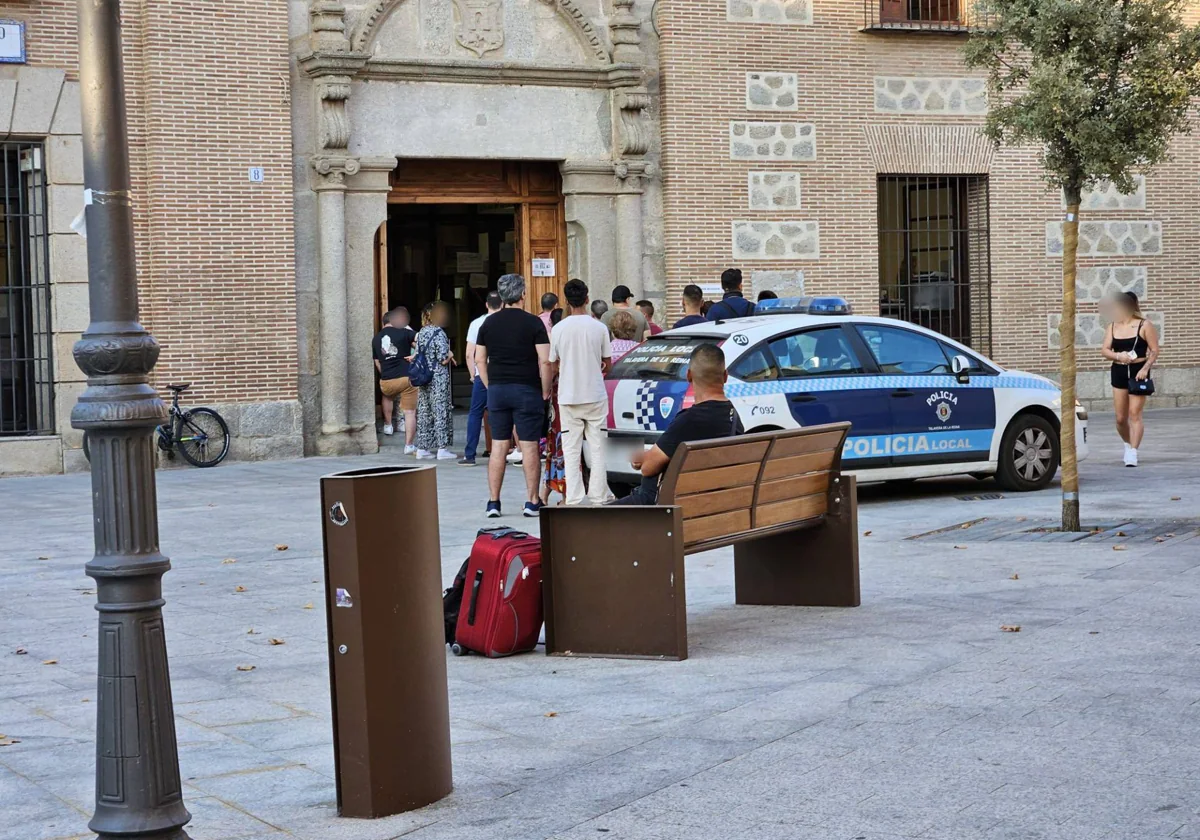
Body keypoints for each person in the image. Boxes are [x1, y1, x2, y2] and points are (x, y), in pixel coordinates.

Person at [613, 344, 743, 505]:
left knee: (592, 519)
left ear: (689, 375)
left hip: (666, 508)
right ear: (725, 376)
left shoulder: (689, 420)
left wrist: (645, 460)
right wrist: (650, 457)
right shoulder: (733, 417)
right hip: (706, 504)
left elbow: (648, 469)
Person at [476, 274, 553, 518]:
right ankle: (532, 501)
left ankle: (493, 502)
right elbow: (545, 360)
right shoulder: (533, 323)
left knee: (499, 445)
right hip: (527, 389)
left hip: (498, 389)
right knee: (529, 446)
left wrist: (490, 385)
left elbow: (479, 359)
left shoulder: (488, 323)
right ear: (522, 294)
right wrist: (545, 389)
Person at [549, 278, 613, 506]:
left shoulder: (558, 329)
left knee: (570, 448)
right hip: (595, 393)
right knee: (597, 447)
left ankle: (574, 496)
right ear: (587, 299)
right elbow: (608, 361)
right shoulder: (599, 328)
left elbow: (553, 363)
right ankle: (598, 494)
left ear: (566, 301)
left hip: (568, 395)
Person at [1102, 291, 1160, 467]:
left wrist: (1145, 368)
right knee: (1120, 418)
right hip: (1119, 370)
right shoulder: (1112, 326)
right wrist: (1119, 356)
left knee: (1135, 413)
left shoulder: (1144, 325)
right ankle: (1128, 444)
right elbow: (1105, 350)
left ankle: (1133, 452)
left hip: (1138, 371)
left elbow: (1154, 350)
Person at [460, 291, 503, 466]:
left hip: (482, 373)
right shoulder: (505, 323)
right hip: (502, 373)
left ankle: (470, 454)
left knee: (475, 414)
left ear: (486, 304)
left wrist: (472, 374)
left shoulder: (476, 323)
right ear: (503, 304)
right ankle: (505, 452)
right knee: (504, 413)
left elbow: (470, 354)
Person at [413, 301, 456, 460]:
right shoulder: (439, 332)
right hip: (438, 377)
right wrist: (451, 354)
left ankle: (422, 448)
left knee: (425, 411)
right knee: (440, 411)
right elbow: (443, 358)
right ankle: (442, 448)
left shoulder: (422, 332)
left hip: (424, 376)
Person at [372, 307, 417, 451]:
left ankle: (388, 425)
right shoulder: (404, 332)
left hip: (386, 380)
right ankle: (409, 445)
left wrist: (384, 373)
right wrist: (415, 355)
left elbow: (377, 361)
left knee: (387, 396)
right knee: (410, 412)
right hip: (405, 378)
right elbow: (424, 340)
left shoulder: (376, 338)